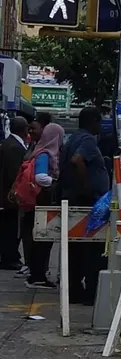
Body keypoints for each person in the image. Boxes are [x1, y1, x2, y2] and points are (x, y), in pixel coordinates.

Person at [63, 106, 112, 306]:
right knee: (94, 250)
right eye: (99, 121)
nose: (100, 126)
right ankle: (92, 290)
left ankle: (75, 289)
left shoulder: (72, 139)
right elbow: (77, 161)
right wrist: (88, 188)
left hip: (74, 199)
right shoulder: (88, 140)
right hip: (89, 203)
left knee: (75, 249)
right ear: (92, 122)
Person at [18, 120, 64, 286]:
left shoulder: (40, 151)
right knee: (42, 240)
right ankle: (37, 276)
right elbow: (40, 177)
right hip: (41, 202)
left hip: (38, 203)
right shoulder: (45, 153)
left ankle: (37, 274)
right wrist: (56, 181)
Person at [0, 115, 27, 270]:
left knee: (8, 227)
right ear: (24, 130)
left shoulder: (8, 143)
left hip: (6, 196)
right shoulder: (15, 147)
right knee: (10, 228)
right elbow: (14, 174)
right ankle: (10, 257)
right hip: (9, 198)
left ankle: (9, 256)